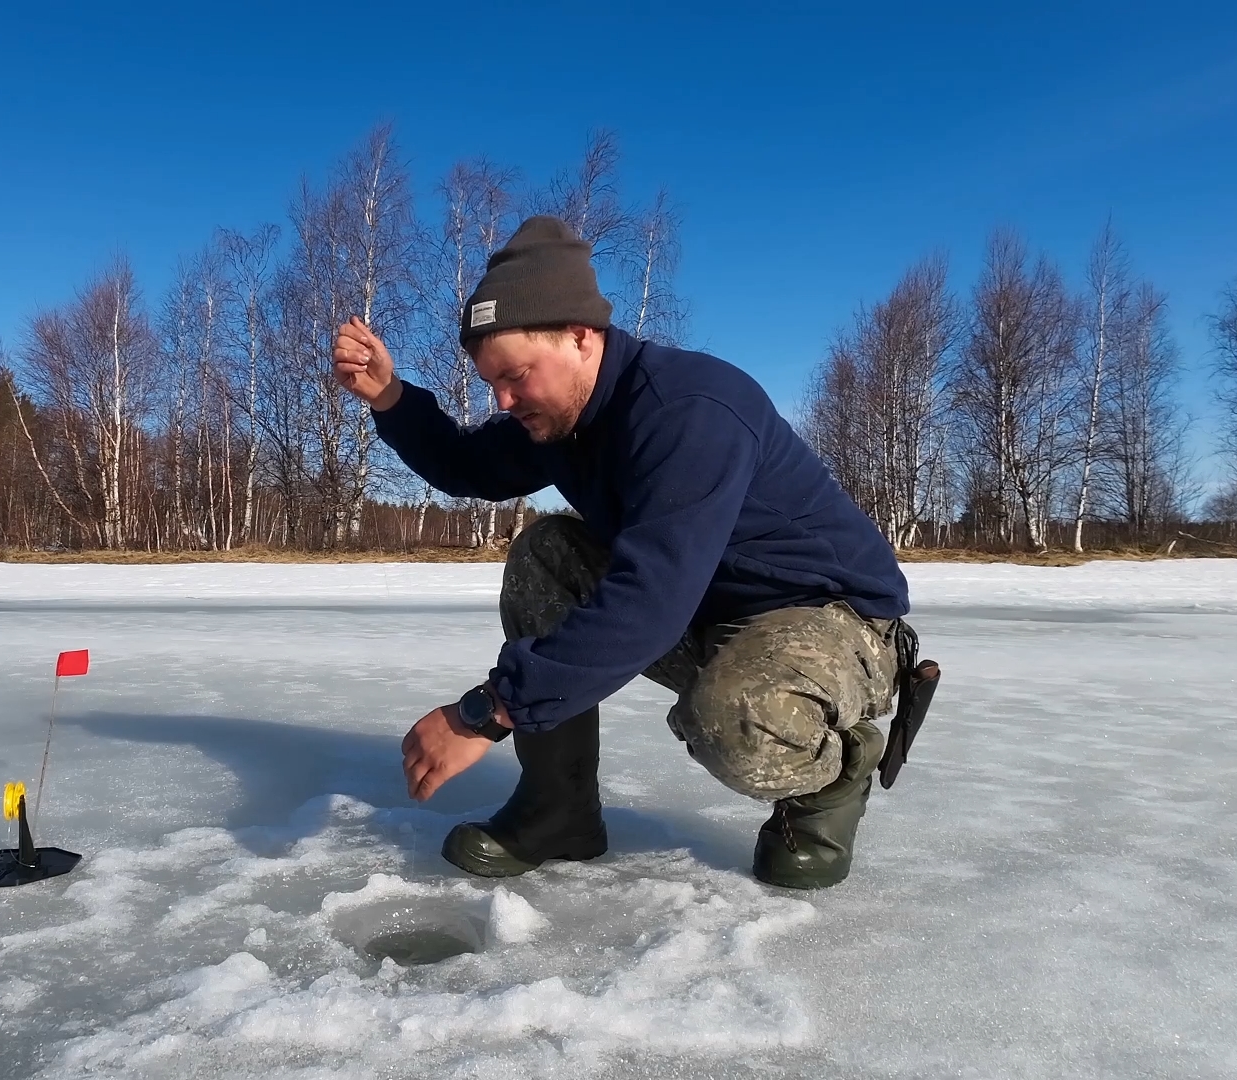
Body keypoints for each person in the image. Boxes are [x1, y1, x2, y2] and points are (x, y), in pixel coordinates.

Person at [331, 215, 922, 890]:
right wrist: (390, 397)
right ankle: (560, 812)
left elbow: (649, 599)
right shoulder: (563, 418)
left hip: (834, 623)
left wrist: (486, 712)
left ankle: (832, 774)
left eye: (517, 375)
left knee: (732, 714)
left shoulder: (688, 410)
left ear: (581, 336)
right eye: (492, 381)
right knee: (547, 555)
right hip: (707, 612)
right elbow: (472, 467)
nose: (503, 399)